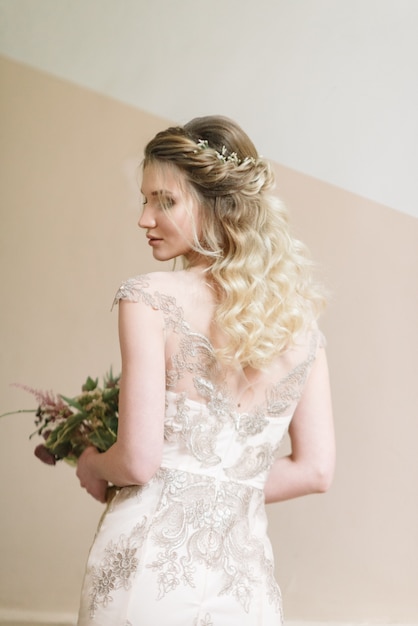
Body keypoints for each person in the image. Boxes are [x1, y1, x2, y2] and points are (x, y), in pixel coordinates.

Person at [76, 115, 335, 626]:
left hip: (148, 571)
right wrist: (221, 484)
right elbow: (316, 471)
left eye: (164, 201)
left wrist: (91, 463)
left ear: (218, 206)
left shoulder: (148, 297)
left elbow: (138, 461)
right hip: (244, 585)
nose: (144, 218)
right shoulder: (301, 327)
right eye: (145, 199)